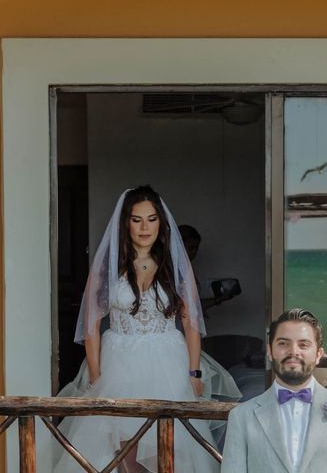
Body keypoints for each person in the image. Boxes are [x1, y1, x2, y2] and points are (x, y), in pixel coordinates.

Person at [53, 186, 222, 473]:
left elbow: (190, 320)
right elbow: (91, 324)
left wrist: (194, 372)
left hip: (168, 363)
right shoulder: (107, 266)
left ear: (161, 223)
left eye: (152, 219)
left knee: (169, 450)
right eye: (137, 219)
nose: (145, 227)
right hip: (119, 362)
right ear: (125, 223)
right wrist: (96, 375)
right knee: (122, 453)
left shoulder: (174, 265)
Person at [221, 308, 327, 473]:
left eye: (303, 344)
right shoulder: (241, 417)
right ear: (270, 352)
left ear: (318, 354)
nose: (293, 352)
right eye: (283, 343)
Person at [178, 224, 237, 312]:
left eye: (196, 249)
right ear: (178, 246)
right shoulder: (172, 271)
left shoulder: (187, 268)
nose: (194, 252)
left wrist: (219, 299)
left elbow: (192, 305)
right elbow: (183, 307)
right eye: (191, 248)